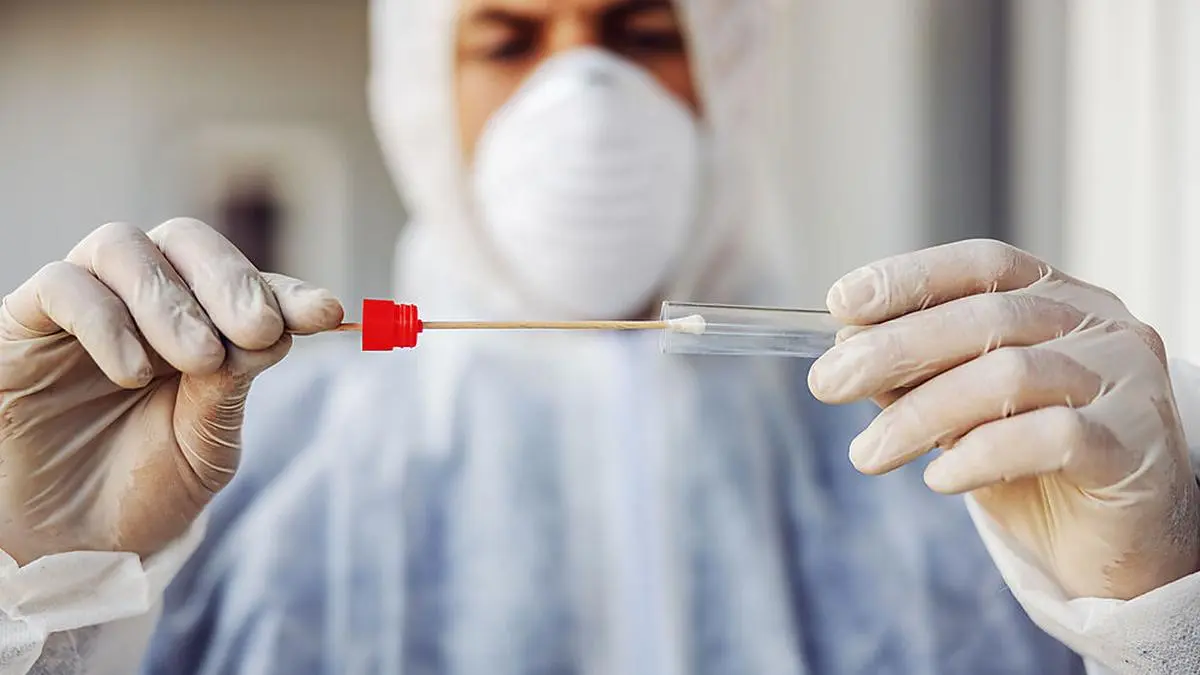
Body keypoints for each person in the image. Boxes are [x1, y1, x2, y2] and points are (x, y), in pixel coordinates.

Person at [0, 0, 1197, 672]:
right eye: (509, 40)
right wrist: (37, 581)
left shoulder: (956, 452)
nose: (581, 97)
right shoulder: (235, 478)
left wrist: (1158, 611)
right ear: (424, 93)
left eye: (639, 32)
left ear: (728, 75)